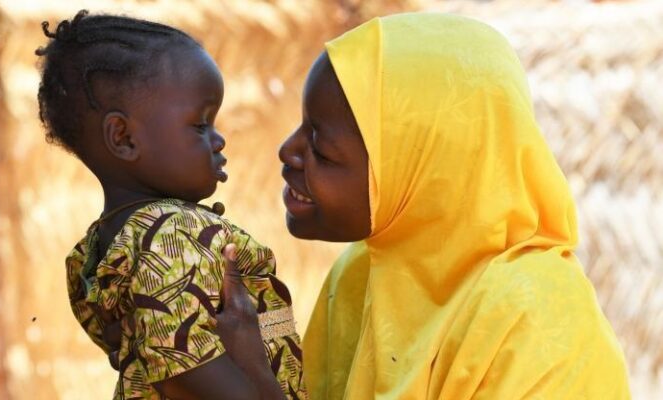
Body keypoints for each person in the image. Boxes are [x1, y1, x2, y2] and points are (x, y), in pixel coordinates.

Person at [274, 12, 630, 399]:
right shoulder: (360, 272)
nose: (287, 151)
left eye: (321, 150)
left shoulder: (539, 323)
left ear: (424, 173)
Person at [35, 10, 306, 399]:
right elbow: (185, 373)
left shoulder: (93, 253)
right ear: (123, 137)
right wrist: (263, 378)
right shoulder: (172, 233)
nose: (218, 140)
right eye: (200, 125)